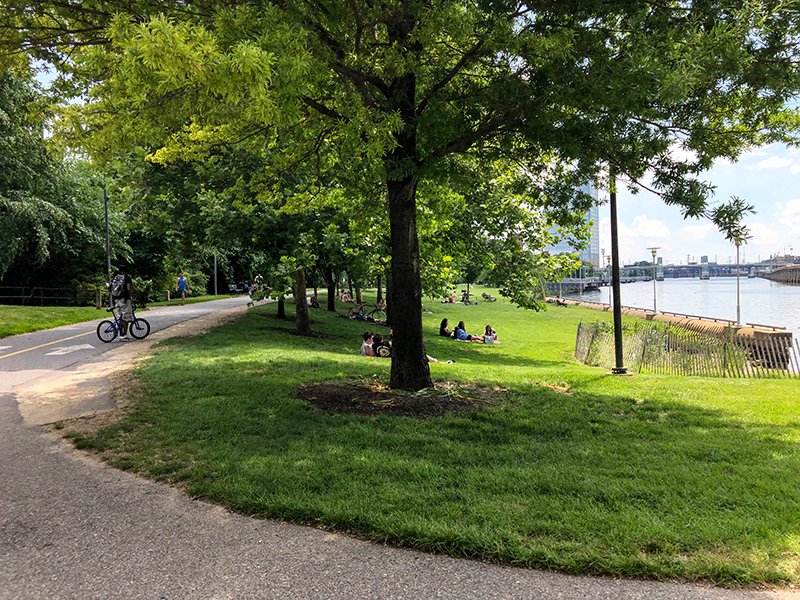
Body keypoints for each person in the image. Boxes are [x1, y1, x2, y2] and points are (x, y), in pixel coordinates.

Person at [109, 266, 134, 341]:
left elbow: (109, 287)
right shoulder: (127, 277)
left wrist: (114, 295)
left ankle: (121, 334)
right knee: (126, 316)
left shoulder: (115, 278)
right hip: (125, 299)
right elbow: (129, 288)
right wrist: (132, 297)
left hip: (117, 300)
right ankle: (124, 335)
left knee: (120, 317)